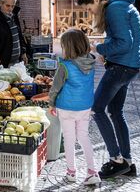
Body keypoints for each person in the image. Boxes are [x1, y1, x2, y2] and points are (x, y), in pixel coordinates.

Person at [77, 0, 140, 179]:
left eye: (89, 7)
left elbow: (124, 43)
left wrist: (99, 48)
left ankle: (116, 160)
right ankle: (128, 163)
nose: (89, 11)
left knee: (96, 109)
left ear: (97, 0)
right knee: (115, 112)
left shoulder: (114, 8)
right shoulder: (121, 5)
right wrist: (106, 53)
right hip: (128, 66)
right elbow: (124, 41)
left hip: (121, 67)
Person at [49, 29, 100, 185]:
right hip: (85, 107)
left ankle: (71, 172)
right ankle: (92, 171)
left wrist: (51, 103)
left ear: (69, 48)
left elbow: (55, 88)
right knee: (83, 137)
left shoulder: (64, 66)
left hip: (67, 108)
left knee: (69, 139)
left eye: (63, 46)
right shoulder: (91, 63)